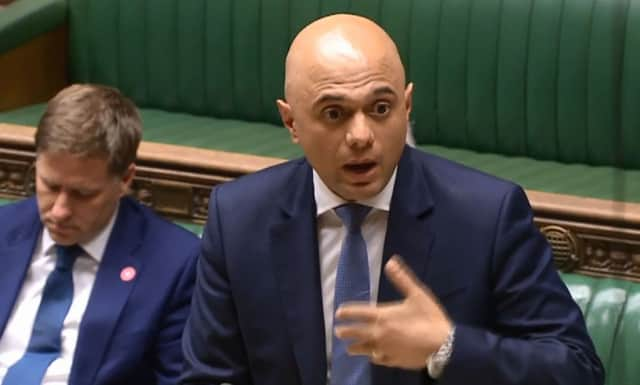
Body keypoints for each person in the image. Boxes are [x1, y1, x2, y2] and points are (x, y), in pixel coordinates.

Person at [181, 14, 603, 385]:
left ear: (407, 105)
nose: (361, 136)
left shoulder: (486, 216)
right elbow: (209, 375)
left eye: (380, 108)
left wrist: (448, 348)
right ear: (291, 121)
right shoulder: (239, 218)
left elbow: (576, 369)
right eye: (334, 113)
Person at [0, 84, 200, 385]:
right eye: (50, 186)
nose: (60, 211)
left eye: (82, 194)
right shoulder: (4, 228)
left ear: (125, 179)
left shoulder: (174, 264)